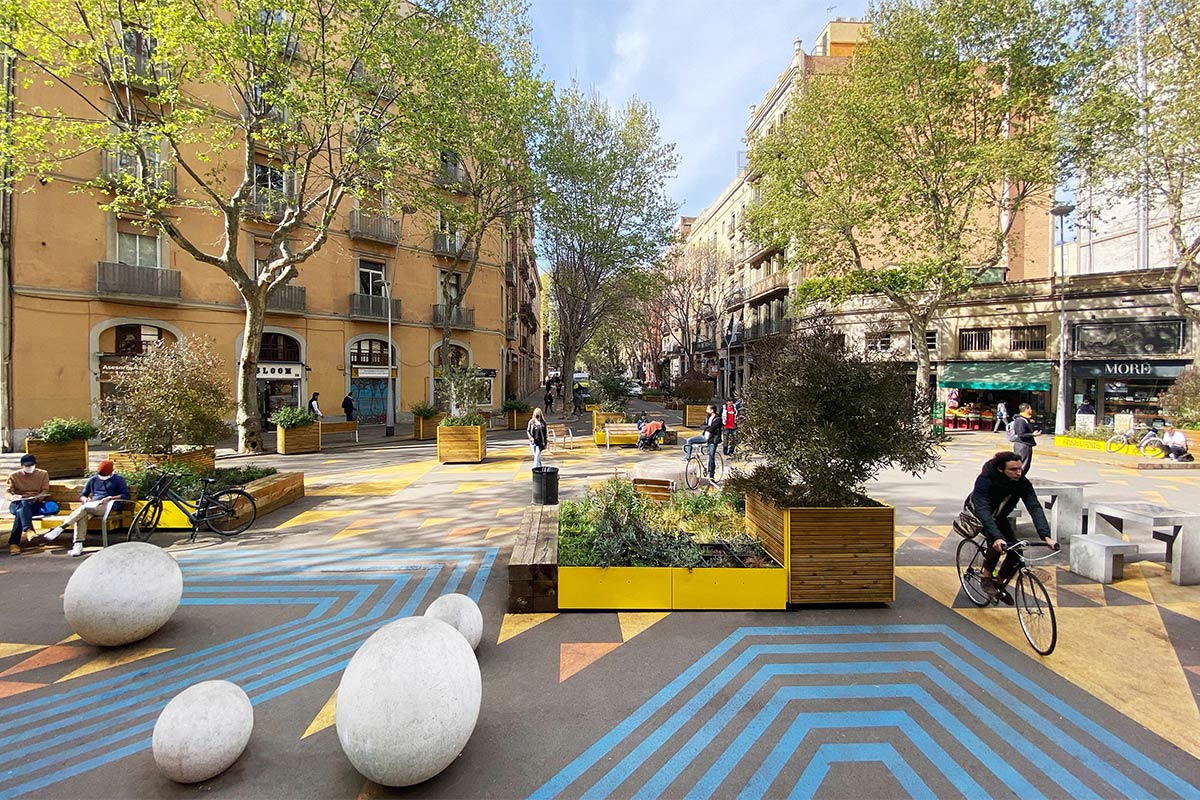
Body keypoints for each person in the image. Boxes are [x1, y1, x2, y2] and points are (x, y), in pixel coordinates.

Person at [970, 451, 1059, 604]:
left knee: (1016, 550)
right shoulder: (985, 480)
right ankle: (986, 576)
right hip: (980, 514)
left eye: (1020, 468)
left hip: (1000, 516)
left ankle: (998, 584)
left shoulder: (1022, 482)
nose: (1018, 472)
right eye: (1013, 469)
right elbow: (982, 509)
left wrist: (1046, 536)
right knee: (998, 543)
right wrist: (996, 537)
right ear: (1000, 469)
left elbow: (1034, 507)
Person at [43, 460, 131, 557]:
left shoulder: (118, 480)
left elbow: (125, 495)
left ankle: (61, 528)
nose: (102, 476)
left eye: (104, 474)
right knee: (82, 516)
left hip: (110, 505)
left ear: (111, 472)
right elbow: (83, 495)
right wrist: (85, 499)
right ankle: (78, 544)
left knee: (83, 510)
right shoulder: (93, 480)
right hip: (93, 505)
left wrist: (110, 498)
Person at [6, 454, 50, 555]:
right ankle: (28, 530)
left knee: (20, 512)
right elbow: (7, 493)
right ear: (22, 466)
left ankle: (14, 543)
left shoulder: (43, 474)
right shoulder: (14, 476)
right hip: (17, 503)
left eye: (31, 465)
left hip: (34, 503)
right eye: (27, 466)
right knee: (22, 504)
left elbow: (45, 491)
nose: (29, 468)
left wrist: (38, 497)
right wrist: (13, 497)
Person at [684, 404, 723, 483]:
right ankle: (688, 457)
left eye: (707, 409)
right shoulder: (708, 418)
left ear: (712, 410)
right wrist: (708, 427)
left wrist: (707, 427)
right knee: (689, 440)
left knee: (711, 455)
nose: (706, 410)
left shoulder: (718, 419)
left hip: (712, 440)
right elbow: (701, 426)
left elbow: (712, 429)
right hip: (704, 437)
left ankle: (711, 475)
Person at [1007, 402, 1039, 476]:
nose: (1031, 410)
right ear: (1026, 409)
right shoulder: (1020, 420)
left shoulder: (1025, 420)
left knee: (1025, 465)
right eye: (1030, 408)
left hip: (1025, 445)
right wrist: (1032, 434)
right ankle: (1017, 481)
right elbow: (1021, 434)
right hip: (1022, 445)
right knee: (1022, 465)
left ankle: (1019, 480)